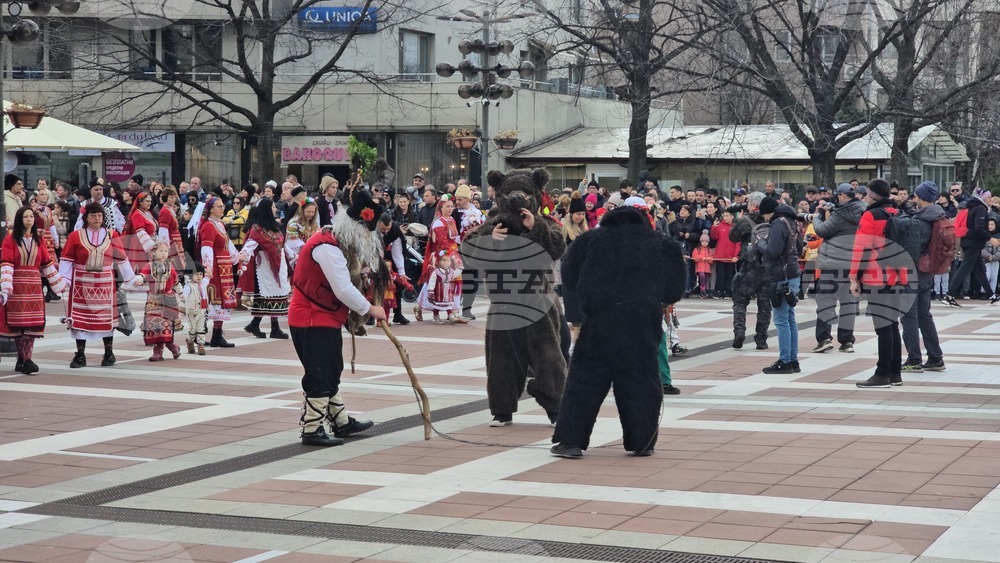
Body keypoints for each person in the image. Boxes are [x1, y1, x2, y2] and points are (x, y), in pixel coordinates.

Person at [551, 205, 685, 458]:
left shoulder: (589, 240)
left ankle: (570, 441)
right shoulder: (662, 243)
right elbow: (674, 289)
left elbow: (569, 278)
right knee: (642, 381)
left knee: (585, 382)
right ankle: (642, 441)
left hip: (600, 320)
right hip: (642, 321)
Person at [288, 190, 383, 447]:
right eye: (365, 233)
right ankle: (311, 429)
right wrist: (369, 309)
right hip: (310, 317)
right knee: (321, 372)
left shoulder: (335, 242)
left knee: (332, 369)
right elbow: (342, 288)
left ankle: (340, 421)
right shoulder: (327, 248)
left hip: (324, 316)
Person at [59, 202, 137, 368]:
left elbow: (121, 258)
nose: (96, 218)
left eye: (99, 216)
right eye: (93, 215)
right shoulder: (76, 236)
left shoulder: (111, 235)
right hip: (81, 283)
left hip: (104, 284)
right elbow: (66, 259)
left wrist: (130, 278)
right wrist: (63, 281)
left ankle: (109, 353)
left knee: (106, 321)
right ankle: (80, 355)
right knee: (79, 321)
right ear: (86, 218)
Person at [850, 179, 908, 388]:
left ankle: (882, 373)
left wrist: (854, 278)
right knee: (892, 325)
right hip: (898, 274)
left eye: (866, 193)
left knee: (883, 327)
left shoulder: (870, 215)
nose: (864, 197)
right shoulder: (897, 212)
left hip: (877, 276)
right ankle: (895, 372)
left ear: (872, 194)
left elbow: (862, 248)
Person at [0, 207, 67, 374]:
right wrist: (6, 285)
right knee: (19, 325)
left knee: (32, 324)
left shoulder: (39, 240)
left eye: (31, 216)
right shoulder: (10, 240)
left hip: (34, 286)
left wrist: (58, 283)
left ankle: (26, 358)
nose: (29, 219)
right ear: (19, 220)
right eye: (25, 217)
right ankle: (23, 358)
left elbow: (46, 263)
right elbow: (7, 262)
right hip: (18, 285)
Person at [811, 183, 864, 354]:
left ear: (841, 196)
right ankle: (847, 341)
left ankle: (824, 338)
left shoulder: (840, 215)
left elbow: (821, 230)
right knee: (848, 302)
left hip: (833, 263)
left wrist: (817, 216)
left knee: (826, 301)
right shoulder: (862, 210)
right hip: (852, 263)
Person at [900, 181, 947, 373]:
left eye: (915, 196)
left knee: (908, 316)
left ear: (920, 197)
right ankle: (935, 358)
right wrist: (904, 206)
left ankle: (914, 359)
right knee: (924, 315)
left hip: (913, 272)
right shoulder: (936, 215)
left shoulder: (921, 222)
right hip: (926, 272)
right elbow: (915, 216)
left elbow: (912, 243)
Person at [756, 197, 802, 374]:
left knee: (781, 320)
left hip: (780, 275)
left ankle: (785, 361)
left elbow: (773, 251)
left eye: (765, 216)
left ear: (769, 212)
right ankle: (793, 360)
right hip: (793, 272)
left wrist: (760, 243)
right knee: (790, 318)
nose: (765, 220)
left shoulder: (777, 223)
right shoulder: (791, 220)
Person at [238, 198, 292, 339]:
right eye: (273, 207)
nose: (275, 209)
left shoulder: (274, 227)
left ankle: (260, 325)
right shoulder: (257, 229)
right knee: (269, 295)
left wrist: (294, 256)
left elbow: (283, 245)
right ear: (267, 209)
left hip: (278, 266)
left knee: (276, 294)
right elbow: (249, 245)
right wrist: (244, 254)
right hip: (265, 267)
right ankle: (272, 327)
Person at [729, 192, 772, 349]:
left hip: (749, 268)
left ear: (753, 205)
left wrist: (739, 219)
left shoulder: (746, 221)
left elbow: (732, 237)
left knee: (740, 300)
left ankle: (739, 331)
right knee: (765, 305)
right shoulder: (772, 220)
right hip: (768, 268)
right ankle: (761, 339)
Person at [414, 196, 465, 323]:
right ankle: (424, 306)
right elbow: (442, 244)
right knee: (437, 284)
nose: (450, 208)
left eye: (451, 206)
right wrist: (451, 257)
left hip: (452, 253)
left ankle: (453, 311)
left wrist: (465, 235)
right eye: (447, 206)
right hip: (443, 256)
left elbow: (454, 239)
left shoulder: (452, 219)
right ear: (441, 207)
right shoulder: (438, 222)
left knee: (451, 283)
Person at [197, 196, 239, 347]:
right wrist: (207, 269)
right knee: (213, 301)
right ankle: (201, 333)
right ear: (211, 209)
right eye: (219, 206)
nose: (223, 209)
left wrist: (237, 257)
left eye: (223, 206)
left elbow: (227, 243)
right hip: (215, 268)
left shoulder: (220, 223)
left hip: (224, 267)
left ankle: (216, 335)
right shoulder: (208, 225)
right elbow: (206, 248)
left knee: (221, 302)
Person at [944, 188, 997, 306]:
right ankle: (949, 294)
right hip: (974, 243)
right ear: (983, 197)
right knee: (964, 268)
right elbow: (979, 228)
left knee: (979, 270)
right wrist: (990, 238)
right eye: (988, 197)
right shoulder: (981, 209)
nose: (990, 199)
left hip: (968, 241)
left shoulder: (972, 207)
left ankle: (991, 295)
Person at [134, 242, 183, 362]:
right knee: (155, 326)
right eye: (160, 251)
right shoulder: (149, 266)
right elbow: (142, 276)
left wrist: (182, 294)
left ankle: (169, 347)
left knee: (166, 326)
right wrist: (138, 279)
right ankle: (162, 349)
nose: (163, 254)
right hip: (154, 300)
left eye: (166, 251)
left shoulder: (170, 267)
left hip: (168, 299)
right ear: (153, 253)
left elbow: (176, 282)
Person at [561, 192, 588, 340]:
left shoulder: (585, 229)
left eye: (582, 213)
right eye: (577, 213)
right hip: (571, 274)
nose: (580, 216)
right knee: (575, 315)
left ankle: (580, 343)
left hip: (584, 275)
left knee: (583, 314)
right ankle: (577, 345)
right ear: (571, 214)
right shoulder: (565, 231)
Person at [417, 250, 463, 324]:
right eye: (443, 261)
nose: (445, 262)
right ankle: (436, 318)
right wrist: (430, 291)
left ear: (450, 263)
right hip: (438, 292)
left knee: (448, 306)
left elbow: (456, 274)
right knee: (436, 306)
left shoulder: (451, 272)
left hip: (447, 292)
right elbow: (432, 281)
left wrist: (459, 267)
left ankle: (451, 316)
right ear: (440, 262)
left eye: (448, 261)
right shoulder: (436, 272)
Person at [123, 191, 159, 274]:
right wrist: (151, 246)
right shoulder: (137, 214)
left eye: (150, 201)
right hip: (140, 244)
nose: (149, 203)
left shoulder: (148, 213)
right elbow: (140, 231)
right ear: (140, 202)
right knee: (141, 266)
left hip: (150, 241)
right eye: (147, 201)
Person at [709, 209, 740, 299]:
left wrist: (736, 255)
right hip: (720, 255)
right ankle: (719, 291)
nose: (725, 218)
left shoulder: (735, 227)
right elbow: (714, 236)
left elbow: (738, 243)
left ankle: (728, 291)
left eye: (727, 216)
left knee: (730, 274)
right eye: (724, 216)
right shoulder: (719, 226)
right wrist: (714, 227)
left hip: (730, 256)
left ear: (732, 216)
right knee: (720, 275)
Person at [157, 188, 187, 272]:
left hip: (175, 241)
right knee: (173, 263)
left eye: (174, 197)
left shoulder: (169, 210)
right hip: (171, 241)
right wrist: (164, 246)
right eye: (170, 197)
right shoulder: (165, 211)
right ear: (165, 198)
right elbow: (163, 230)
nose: (173, 199)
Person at [285, 198, 320, 269]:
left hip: (311, 254)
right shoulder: (293, 223)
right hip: (297, 257)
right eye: (308, 212)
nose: (311, 214)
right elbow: (293, 244)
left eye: (313, 212)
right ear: (302, 210)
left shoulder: (314, 224)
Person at [184, 264, 209, 356]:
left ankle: (201, 345)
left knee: (201, 328)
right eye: (196, 274)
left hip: (203, 310)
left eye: (201, 274)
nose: (199, 277)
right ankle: (189, 341)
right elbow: (184, 295)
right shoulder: (188, 286)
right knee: (193, 329)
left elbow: (208, 277)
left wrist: (209, 271)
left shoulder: (203, 283)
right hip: (192, 312)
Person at [692, 230, 714, 298]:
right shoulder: (697, 249)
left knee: (706, 279)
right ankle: (702, 290)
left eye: (706, 242)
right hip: (700, 268)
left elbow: (712, 259)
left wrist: (709, 259)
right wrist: (702, 258)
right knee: (702, 277)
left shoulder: (709, 250)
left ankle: (705, 291)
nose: (704, 243)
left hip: (707, 268)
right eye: (703, 241)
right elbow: (694, 257)